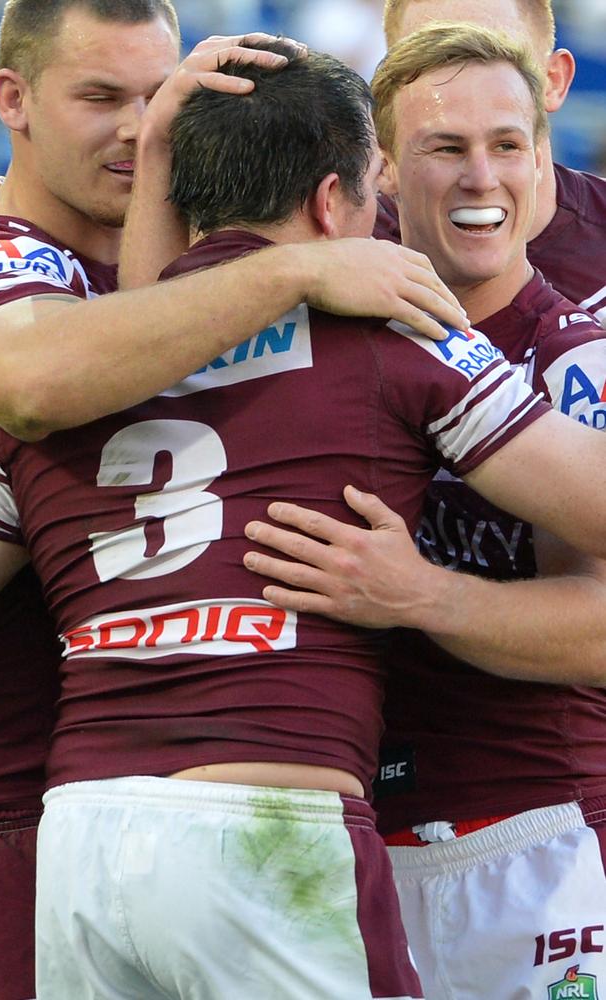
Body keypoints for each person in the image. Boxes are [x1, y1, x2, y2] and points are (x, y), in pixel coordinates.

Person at [0, 34, 603, 1000]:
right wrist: (428, 593)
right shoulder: (395, 329)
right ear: (338, 198)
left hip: (83, 837)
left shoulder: (69, 354)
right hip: (272, 825)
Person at [242, 21, 606, 1000]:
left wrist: (419, 595)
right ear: (385, 172)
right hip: (336, 842)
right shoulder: (323, 328)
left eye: (505, 146)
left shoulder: (577, 360)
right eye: (444, 148)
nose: (478, 176)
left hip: (532, 836)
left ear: (542, 163)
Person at [378, 0, 606, 324]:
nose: (466, 80)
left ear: (554, 80)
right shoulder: (339, 238)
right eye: (427, 58)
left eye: (496, 52)